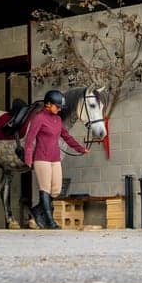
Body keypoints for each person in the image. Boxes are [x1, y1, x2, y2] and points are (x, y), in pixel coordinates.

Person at [23, 89, 87, 230]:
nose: (59, 109)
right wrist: (28, 157)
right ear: (48, 104)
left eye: (60, 107)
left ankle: (36, 211)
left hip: (55, 158)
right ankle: (50, 221)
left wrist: (80, 149)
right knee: (45, 189)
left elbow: (66, 137)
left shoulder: (57, 120)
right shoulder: (39, 118)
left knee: (56, 190)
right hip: (42, 159)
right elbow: (30, 139)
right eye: (57, 106)